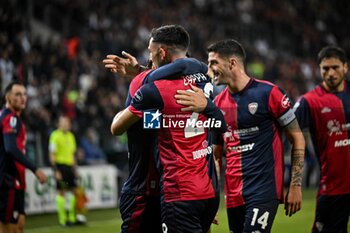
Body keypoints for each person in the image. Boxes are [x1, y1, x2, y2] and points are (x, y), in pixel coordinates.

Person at [174, 39, 305, 233]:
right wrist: (211, 200)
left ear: (232, 63)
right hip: (233, 195)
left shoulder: (269, 93)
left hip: (263, 190)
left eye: (213, 63)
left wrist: (295, 185)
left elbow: (298, 138)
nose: (209, 70)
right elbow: (216, 155)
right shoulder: (217, 104)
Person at [111, 25, 226, 233]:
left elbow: (119, 128)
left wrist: (141, 75)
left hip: (151, 188)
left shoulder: (148, 86)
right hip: (201, 188)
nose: (149, 56)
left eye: (150, 51)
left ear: (162, 52)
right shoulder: (203, 85)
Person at [294, 46, 350, 233]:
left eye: (335, 67)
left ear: (345, 67)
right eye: (325, 68)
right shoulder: (309, 101)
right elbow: (287, 130)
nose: (331, 73)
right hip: (334, 189)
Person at [0, 81, 47, 233]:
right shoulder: (11, 118)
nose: (23, 98)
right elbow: (11, 148)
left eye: (25, 94)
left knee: (19, 226)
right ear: (7, 97)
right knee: (9, 229)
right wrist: (35, 169)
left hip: (13, 182)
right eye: (17, 94)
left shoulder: (7, 117)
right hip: (7, 182)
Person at [49, 115, 79, 226]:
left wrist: (75, 169)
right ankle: (63, 219)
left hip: (70, 167)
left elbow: (73, 154)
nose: (65, 124)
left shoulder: (71, 136)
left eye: (67, 122)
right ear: (59, 124)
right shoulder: (54, 136)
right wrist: (55, 170)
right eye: (63, 122)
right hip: (60, 167)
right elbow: (52, 155)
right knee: (61, 192)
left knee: (74, 191)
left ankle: (72, 218)